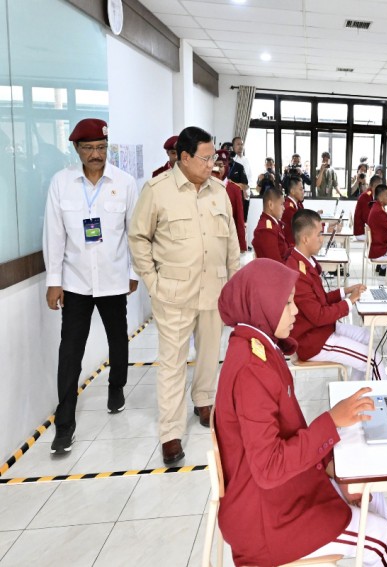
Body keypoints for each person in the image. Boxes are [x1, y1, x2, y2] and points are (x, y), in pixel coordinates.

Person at [214, 259, 387, 567]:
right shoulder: (252, 370)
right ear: (262, 306)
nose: (295, 311)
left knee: (370, 490)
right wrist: (332, 422)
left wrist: (327, 463)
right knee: (381, 538)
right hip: (268, 519)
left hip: (275, 495)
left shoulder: (257, 346)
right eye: (286, 303)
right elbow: (269, 468)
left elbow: (286, 430)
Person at [129, 126, 241, 464]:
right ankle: (171, 432)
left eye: (214, 158)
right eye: (206, 158)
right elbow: (138, 238)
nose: (213, 164)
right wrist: (153, 282)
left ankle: (204, 400)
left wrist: (234, 287)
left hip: (213, 290)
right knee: (172, 364)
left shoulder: (219, 191)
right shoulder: (157, 190)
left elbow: (231, 243)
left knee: (209, 354)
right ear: (185, 158)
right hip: (173, 294)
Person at [43, 118, 139, 453]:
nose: (96, 154)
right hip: (75, 281)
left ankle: (116, 388)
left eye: (101, 147)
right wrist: (54, 281)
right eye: (89, 148)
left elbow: (134, 233)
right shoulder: (61, 183)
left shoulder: (124, 183)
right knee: (70, 350)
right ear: (76, 150)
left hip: (113, 278)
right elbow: (54, 235)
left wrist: (134, 272)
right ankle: (64, 423)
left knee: (118, 339)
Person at [284, 209, 386, 381]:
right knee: (374, 360)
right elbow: (318, 315)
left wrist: (345, 291)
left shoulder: (303, 261)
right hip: (313, 341)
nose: (322, 239)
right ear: (305, 239)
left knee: (367, 338)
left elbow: (319, 299)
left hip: (320, 330)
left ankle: (356, 394)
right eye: (319, 234)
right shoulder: (297, 271)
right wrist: (349, 302)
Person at [214, 151, 247, 253]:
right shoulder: (206, 186)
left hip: (228, 238)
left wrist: (241, 243)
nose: (218, 169)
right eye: (215, 165)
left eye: (221, 165)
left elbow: (239, 218)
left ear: (227, 166)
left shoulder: (234, 189)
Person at [251, 185, 288, 263]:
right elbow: (275, 264)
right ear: (271, 205)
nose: (284, 208)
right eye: (281, 204)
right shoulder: (266, 230)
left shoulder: (274, 224)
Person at [366, 184, 387, 275]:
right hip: (379, 250)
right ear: (380, 197)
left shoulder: (376, 207)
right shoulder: (379, 211)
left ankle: (384, 268)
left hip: (376, 247)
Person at [227, 138, 251, 222]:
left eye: (241, 144)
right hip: (233, 196)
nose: (240, 146)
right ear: (233, 147)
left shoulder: (246, 160)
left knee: (243, 222)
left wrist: (246, 189)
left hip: (246, 195)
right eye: (238, 144)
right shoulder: (232, 161)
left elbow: (249, 178)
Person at [281, 177, 306, 247]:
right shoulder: (289, 207)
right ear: (292, 191)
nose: (303, 192)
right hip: (291, 247)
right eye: (301, 189)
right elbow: (304, 225)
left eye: (303, 189)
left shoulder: (298, 204)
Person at [353, 175, 380, 241]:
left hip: (365, 231)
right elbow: (367, 218)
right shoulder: (366, 196)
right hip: (361, 233)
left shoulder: (370, 195)